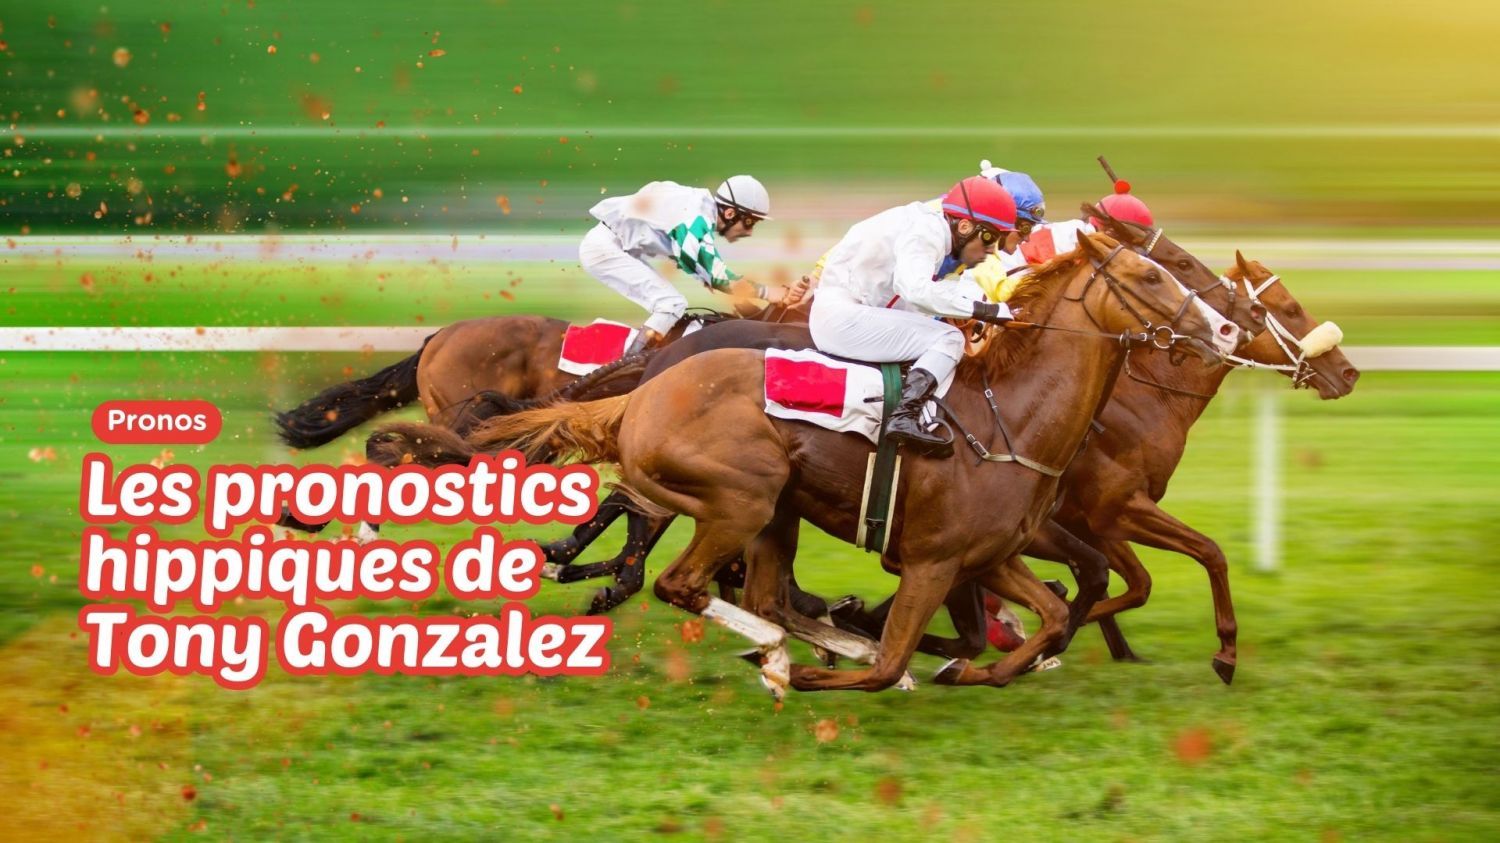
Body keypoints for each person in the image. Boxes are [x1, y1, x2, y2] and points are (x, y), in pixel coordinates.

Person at [810, 176, 1018, 455]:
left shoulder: (927, 230)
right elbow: (915, 289)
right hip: (842, 317)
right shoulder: (926, 230)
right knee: (949, 339)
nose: (991, 251)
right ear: (965, 226)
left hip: (850, 313)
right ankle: (904, 418)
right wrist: (986, 310)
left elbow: (914, 297)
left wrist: (965, 309)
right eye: (990, 238)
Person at [580, 175, 806, 353]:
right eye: (749, 223)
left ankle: (635, 358)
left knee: (670, 306)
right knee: (671, 304)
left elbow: (701, 272)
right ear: (730, 213)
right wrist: (770, 293)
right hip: (606, 249)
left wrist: (747, 307)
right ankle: (625, 368)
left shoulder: (697, 206)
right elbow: (716, 276)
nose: (748, 232)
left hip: (615, 245)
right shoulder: (694, 220)